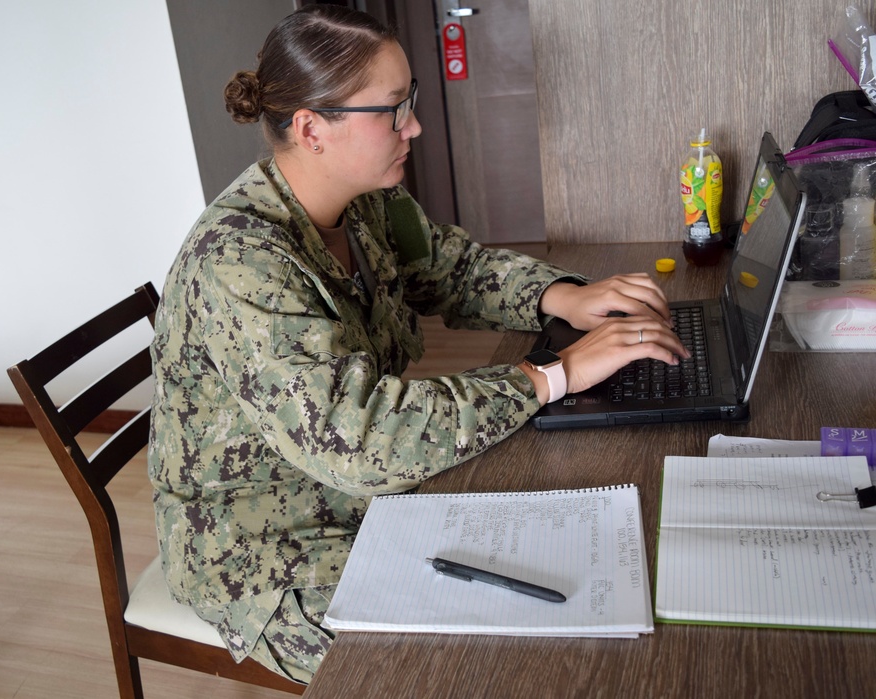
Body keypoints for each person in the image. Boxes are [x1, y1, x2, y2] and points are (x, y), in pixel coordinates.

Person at [148, 4, 688, 685]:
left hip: (351, 492)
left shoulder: (360, 197)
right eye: (394, 109)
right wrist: (552, 376)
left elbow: (446, 266)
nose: (416, 126)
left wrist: (562, 296)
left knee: (553, 575)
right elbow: (361, 439)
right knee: (466, 664)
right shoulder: (240, 262)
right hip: (261, 544)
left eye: (413, 102)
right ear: (313, 129)